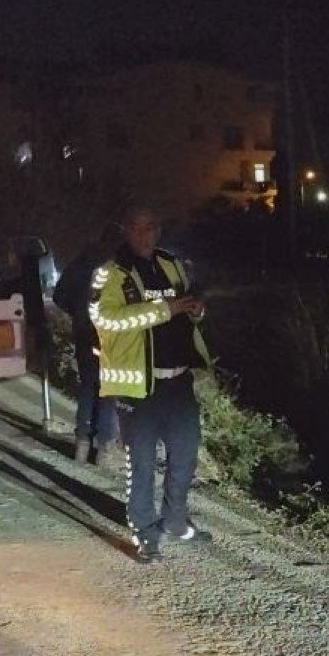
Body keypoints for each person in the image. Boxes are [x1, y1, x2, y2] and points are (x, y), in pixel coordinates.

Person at [90, 207, 215, 563]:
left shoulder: (171, 263)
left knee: (185, 457)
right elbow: (103, 317)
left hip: (178, 381)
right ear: (126, 230)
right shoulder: (109, 273)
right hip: (138, 388)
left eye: (152, 227)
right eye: (138, 227)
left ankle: (175, 521)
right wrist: (165, 310)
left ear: (158, 230)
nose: (146, 234)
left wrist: (194, 309)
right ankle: (145, 532)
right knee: (141, 464)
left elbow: (187, 301)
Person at [54, 223, 123, 463]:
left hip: (84, 333)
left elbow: (58, 296)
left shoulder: (80, 263)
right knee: (109, 390)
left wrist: (78, 314)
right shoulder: (119, 267)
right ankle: (104, 447)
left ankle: (82, 443)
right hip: (111, 336)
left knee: (88, 386)